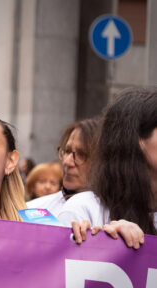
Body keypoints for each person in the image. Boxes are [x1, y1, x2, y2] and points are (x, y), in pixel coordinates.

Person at [59, 87, 156, 248]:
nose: (69, 162)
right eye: (67, 151)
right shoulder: (84, 210)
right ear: (137, 139)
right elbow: (54, 269)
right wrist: (104, 244)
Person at [27, 118, 100, 215]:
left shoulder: (118, 218)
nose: (67, 162)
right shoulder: (31, 210)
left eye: (81, 154)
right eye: (67, 151)